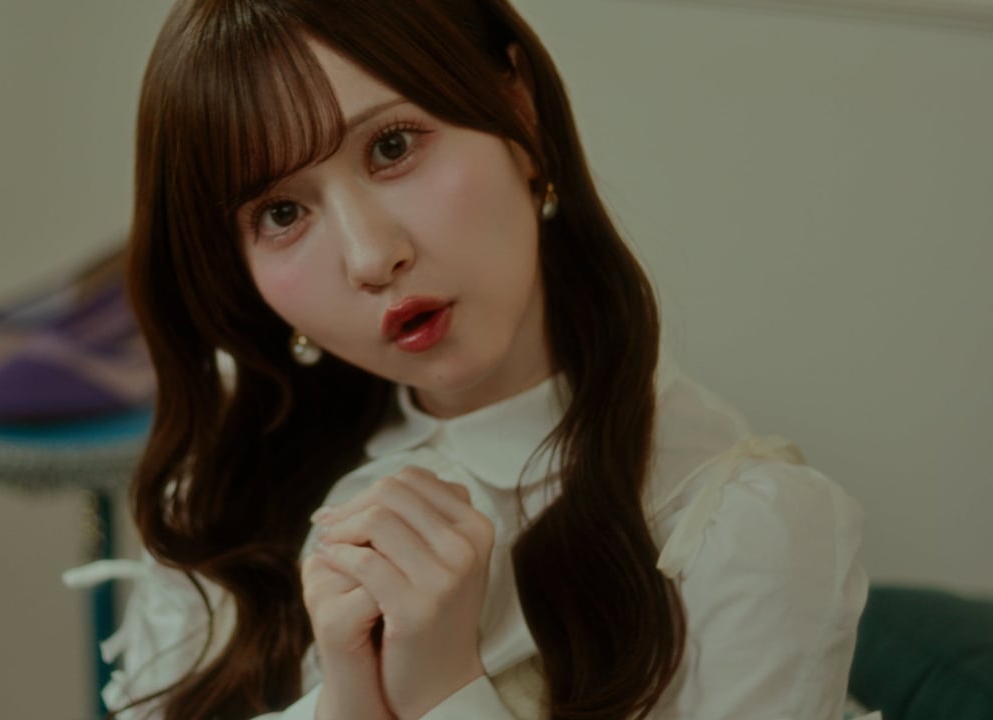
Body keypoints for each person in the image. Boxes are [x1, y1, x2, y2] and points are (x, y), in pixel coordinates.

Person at [62, 1, 877, 718]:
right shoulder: (228, 480)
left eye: (391, 147)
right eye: (280, 213)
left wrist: (444, 694)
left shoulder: (747, 534)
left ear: (519, 110)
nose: (370, 256)